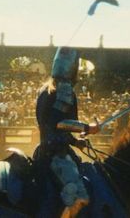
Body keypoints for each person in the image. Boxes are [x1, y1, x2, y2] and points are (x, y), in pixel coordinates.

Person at [33, 47, 99, 217]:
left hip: (47, 151)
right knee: (80, 198)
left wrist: (75, 142)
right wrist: (87, 128)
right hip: (57, 156)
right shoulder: (63, 90)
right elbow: (59, 123)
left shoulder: (45, 89)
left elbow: (51, 125)